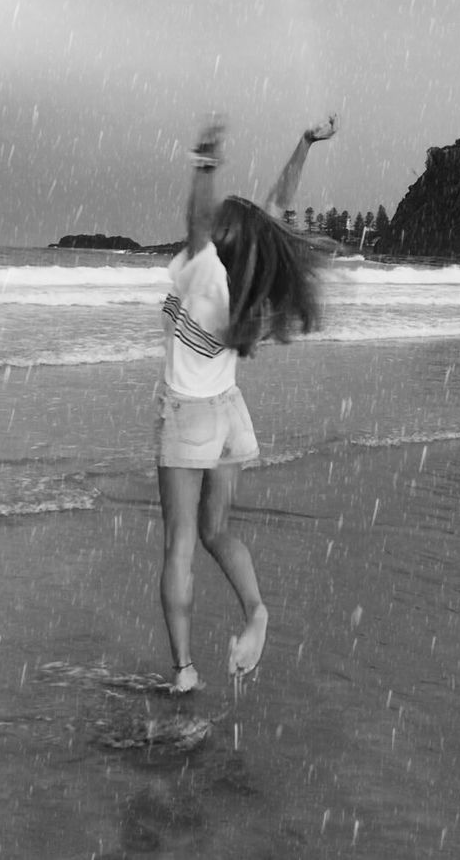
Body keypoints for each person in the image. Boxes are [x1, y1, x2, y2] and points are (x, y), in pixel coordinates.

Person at [156, 113, 338, 692]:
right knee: (216, 531)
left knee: (182, 543)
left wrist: (205, 164)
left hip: (189, 416)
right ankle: (256, 611)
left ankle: (185, 671)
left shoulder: (206, 270)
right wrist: (304, 142)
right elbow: (279, 206)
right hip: (230, 415)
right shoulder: (248, 285)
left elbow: (195, 222)